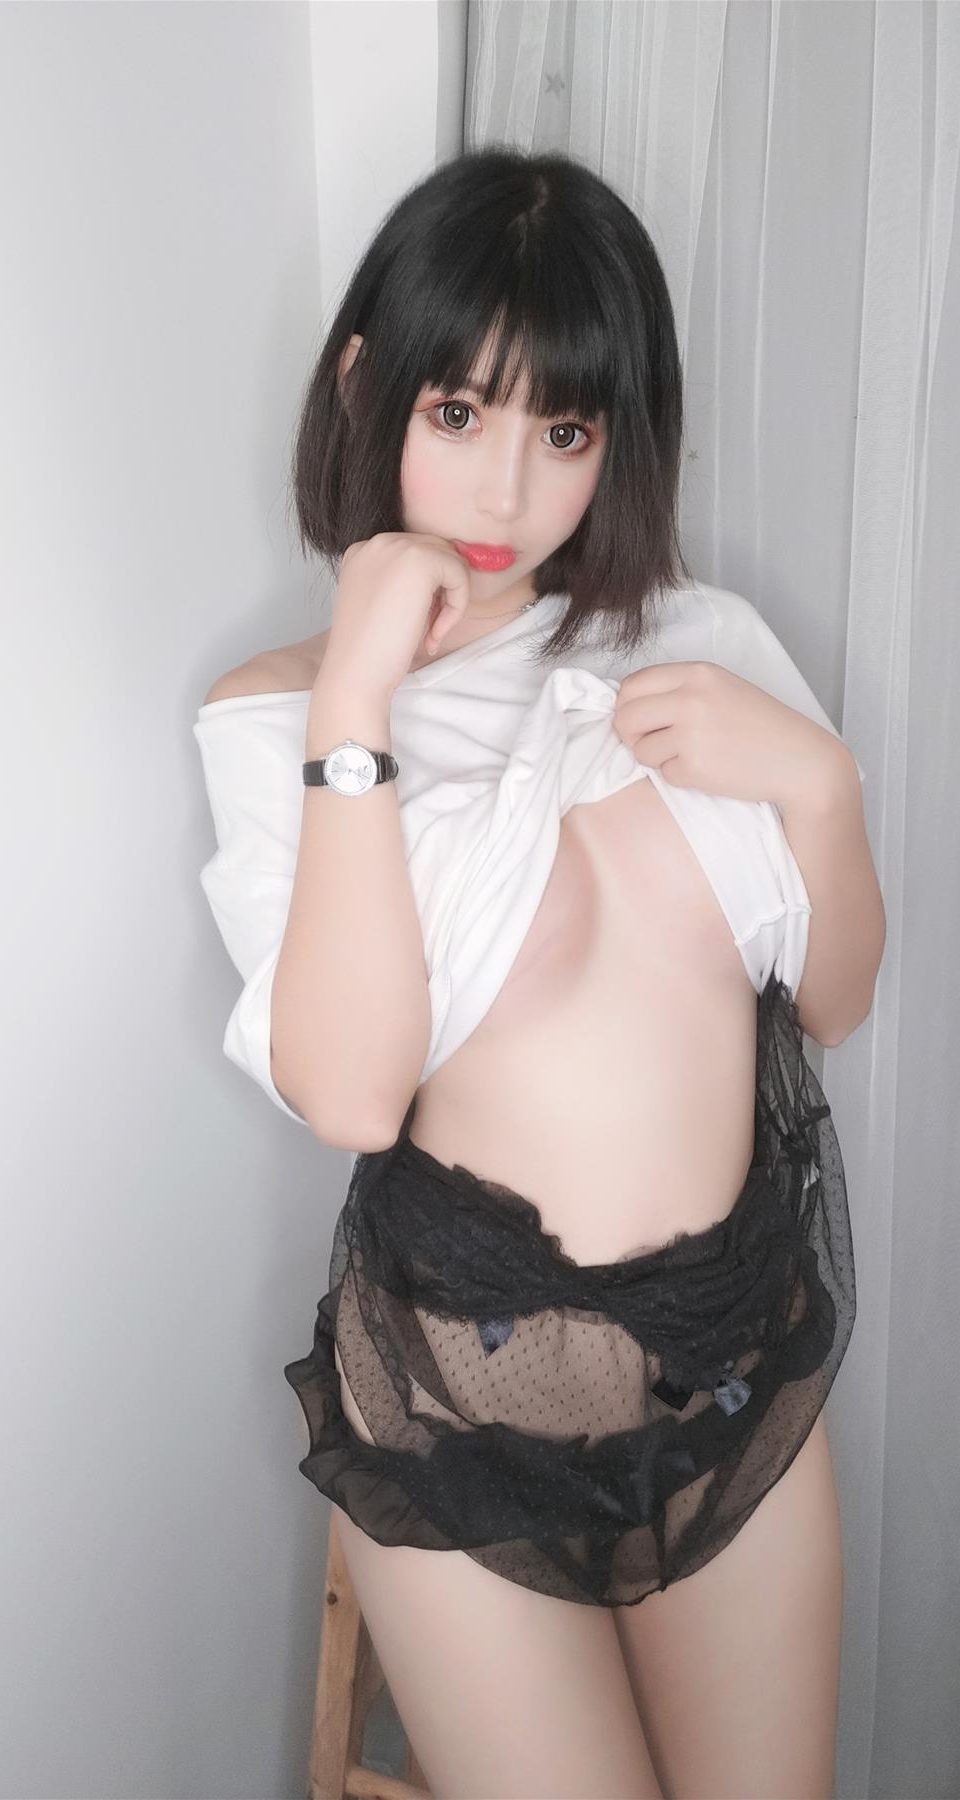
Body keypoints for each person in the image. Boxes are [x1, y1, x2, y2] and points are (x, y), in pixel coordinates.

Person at [193, 147, 882, 1800]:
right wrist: (355, 706)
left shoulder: (704, 640)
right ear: (365, 389)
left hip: (731, 1358)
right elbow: (353, 1093)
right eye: (458, 415)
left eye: (563, 434)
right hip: (464, 1408)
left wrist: (822, 788)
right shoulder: (276, 712)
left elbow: (835, 1001)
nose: (504, 497)